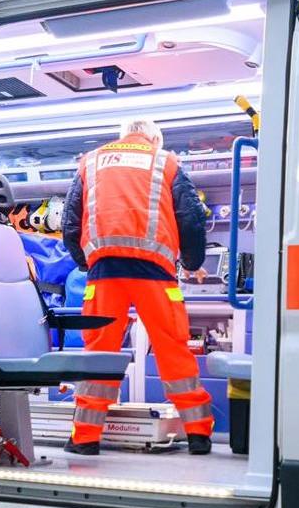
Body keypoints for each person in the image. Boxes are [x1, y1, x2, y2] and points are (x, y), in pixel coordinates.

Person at [62, 119, 214, 455]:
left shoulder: (91, 162)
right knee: (173, 348)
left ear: (123, 136)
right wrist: (191, 262)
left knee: (99, 353)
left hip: (105, 272)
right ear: (154, 138)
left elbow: (70, 221)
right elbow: (191, 217)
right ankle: (198, 435)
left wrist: (85, 261)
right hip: (156, 273)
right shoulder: (166, 162)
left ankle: (85, 438)